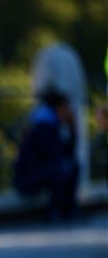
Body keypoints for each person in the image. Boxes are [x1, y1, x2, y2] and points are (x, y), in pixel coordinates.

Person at [14, 89, 80, 220]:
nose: (68, 111)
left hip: (41, 171)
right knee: (61, 169)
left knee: (72, 166)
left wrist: (72, 128)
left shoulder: (51, 124)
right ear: (58, 108)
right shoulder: (43, 127)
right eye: (65, 107)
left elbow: (67, 153)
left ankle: (67, 210)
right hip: (27, 177)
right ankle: (55, 211)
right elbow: (55, 155)